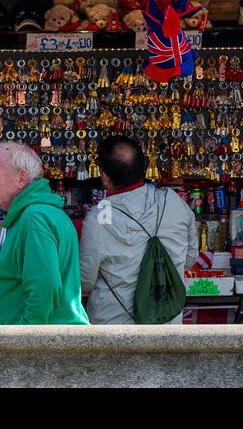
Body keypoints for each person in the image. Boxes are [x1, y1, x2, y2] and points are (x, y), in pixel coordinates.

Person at [79, 135, 198, 324]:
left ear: (105, 176)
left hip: (115, 327)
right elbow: (190, 258)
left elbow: (86, 280)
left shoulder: (101, 216)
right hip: (167, 325)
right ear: (143, 167)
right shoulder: (173, 201)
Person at [0, 142, 89, 325]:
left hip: (40, 346)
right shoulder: (43, 213)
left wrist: (24, 337)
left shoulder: (34, 217)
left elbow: (45, 289)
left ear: (21, 178)